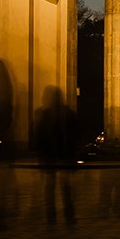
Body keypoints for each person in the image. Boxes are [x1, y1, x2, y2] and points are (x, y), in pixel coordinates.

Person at [35, 86, 78, 224]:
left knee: (51, 188)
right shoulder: (69, 113)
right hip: (64, 155)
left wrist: (40, 155)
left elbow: (40, 136)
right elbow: (75, 135)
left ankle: (51, 216)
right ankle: (68, 214)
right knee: (65, 187)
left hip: (51, 156)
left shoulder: (44, 114)